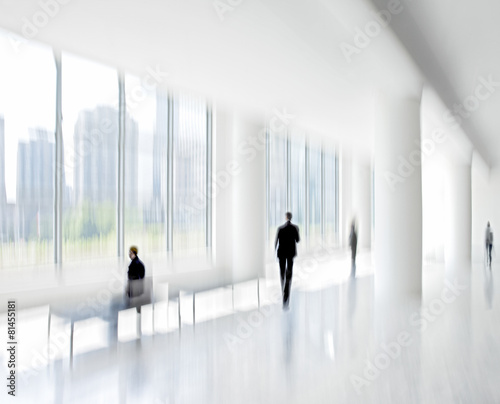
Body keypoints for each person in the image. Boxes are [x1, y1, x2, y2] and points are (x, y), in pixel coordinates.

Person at [275, 212, 300, 310]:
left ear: (286, 218)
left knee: (282, 273)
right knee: (289, 272)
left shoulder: (280, 229)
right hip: (290, 253)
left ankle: (283, 290)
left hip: (281, 253)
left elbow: (276, 242)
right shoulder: (295, 228)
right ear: (291, 217)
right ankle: (287, 292)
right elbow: (297, 240)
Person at [127, 246, 145, 313]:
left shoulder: (136, 264)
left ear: (134, 253)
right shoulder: (136, 263)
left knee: (136, 307)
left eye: (131, 253)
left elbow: (139, 277)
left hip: (136, 290)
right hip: (135, 289)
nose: (129, 254)